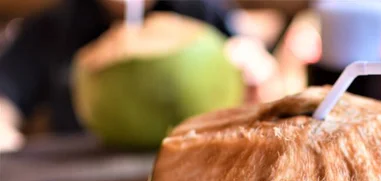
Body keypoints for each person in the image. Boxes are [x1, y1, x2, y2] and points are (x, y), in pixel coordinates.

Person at [0, 0, 272, 152]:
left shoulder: (200, 12)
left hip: (194, 170)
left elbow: (263, 79)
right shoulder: (51, 28)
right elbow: (5, 94)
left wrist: (255, 80)